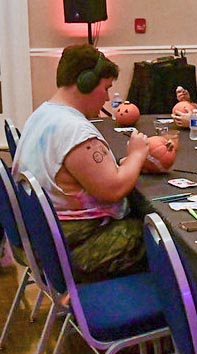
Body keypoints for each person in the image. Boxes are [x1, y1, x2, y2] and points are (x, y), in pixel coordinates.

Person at [12, 44, 150, 283]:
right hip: (71, 251)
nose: (107, 97)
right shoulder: (75, 131)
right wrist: (137, 155)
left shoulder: (43, 114)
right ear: (85, 82)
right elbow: (113, 190)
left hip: (43, 243)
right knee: (161, 241)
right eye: (105, 88)